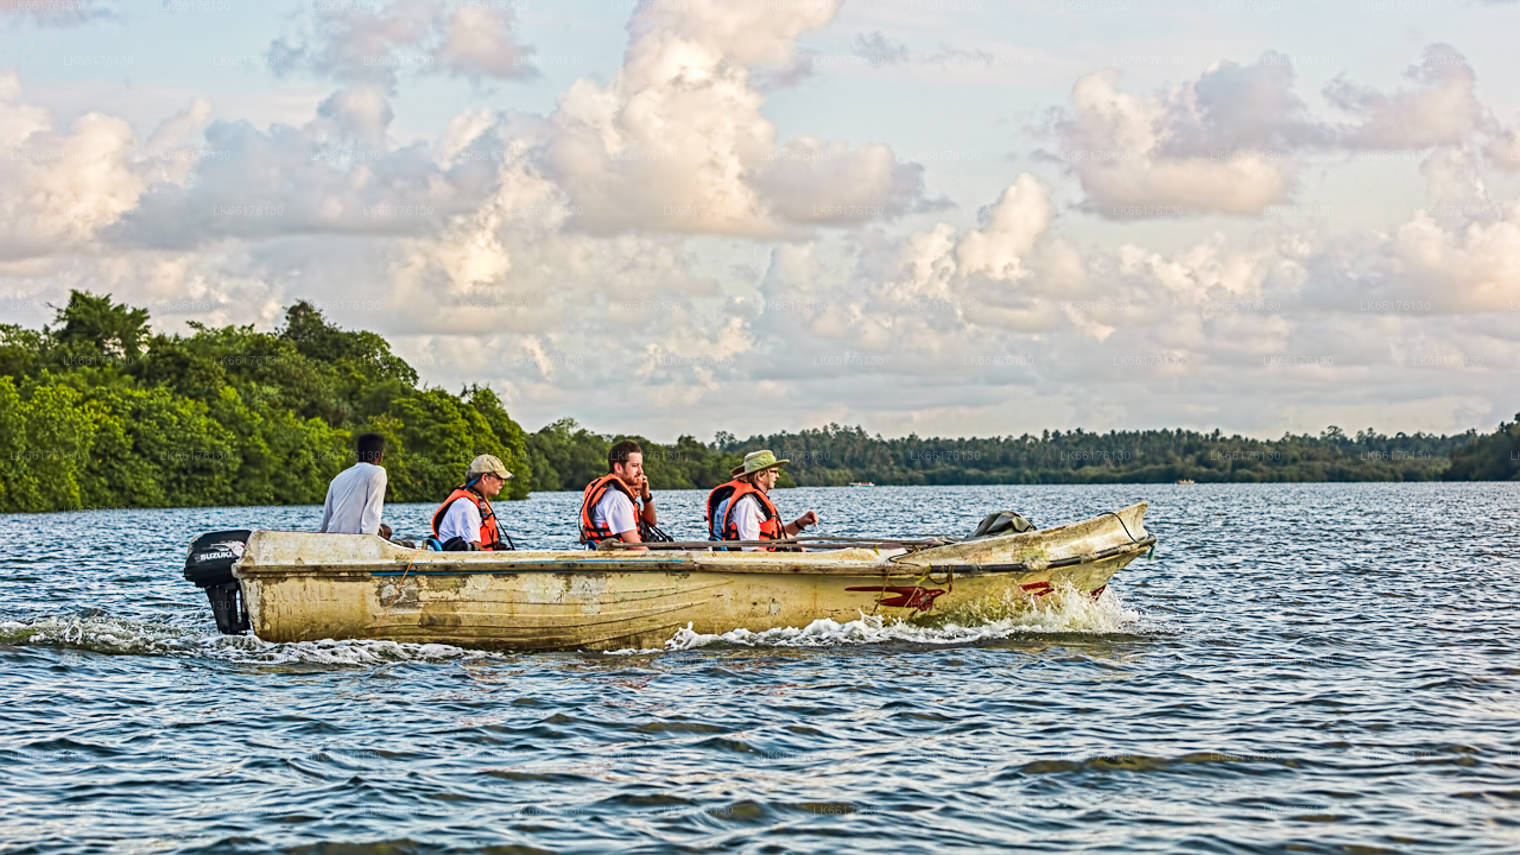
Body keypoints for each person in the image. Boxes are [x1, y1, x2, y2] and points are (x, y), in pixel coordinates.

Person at [706, 450, 818, 550]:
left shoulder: (755, 501)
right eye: (774, 471)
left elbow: (774, 535)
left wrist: (801, 522)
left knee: (792, 541)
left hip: (758, 556)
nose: (778, 476)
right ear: (760, 475)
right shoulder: (747, 503)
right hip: (745, 561)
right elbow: (751, 550)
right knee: (794, 545)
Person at [579, 440, 658, 549]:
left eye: (641, 466)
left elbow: (650, 524)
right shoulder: (617, 498)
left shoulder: (613, 493)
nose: (641, 471)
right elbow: (635, 546)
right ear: (618, 468)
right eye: (635, 466)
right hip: (622, 557)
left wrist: (646, 497)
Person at [432, 454, 515, 551]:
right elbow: (473, 551)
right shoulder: (466, 506)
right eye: (499, 478)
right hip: (462, 559)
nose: (503, 483)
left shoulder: (476, 501)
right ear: (485, 478)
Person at [319, 433, 392, 539]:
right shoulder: (377, 472)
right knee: (388, 532)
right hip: (356, 539)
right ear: (379, 455)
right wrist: (369, 540)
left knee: (384, 530)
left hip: (331, 536)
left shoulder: (338, 478)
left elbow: (326, 522)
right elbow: (373, 512)